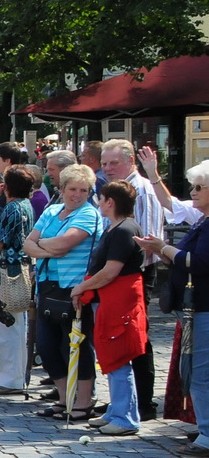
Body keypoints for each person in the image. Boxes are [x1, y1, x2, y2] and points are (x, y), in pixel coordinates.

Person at [138, 160, 209, 447]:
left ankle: (207, 435)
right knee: (194, 369)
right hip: (195, 308)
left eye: (199, 187)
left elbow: (199, 262)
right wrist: (162, 251)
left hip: (204, 307)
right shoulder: (203, 220)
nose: (193, 192)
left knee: (201, 372)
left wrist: (163, 248)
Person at [25, 163, 103, 421]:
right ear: (62, 189)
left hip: (75, 290)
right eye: (73, 189)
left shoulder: (89, 214)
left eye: (84, 190)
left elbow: (66, 242)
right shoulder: (52, 211)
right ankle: (63, 397)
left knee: (76, 346)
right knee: (46, 346)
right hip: (47, 286)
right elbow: (27, 244)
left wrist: (41, 245)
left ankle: (83, 401)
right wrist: (49, 248)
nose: (77, 195)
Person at [73, 181, 146, 437]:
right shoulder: (115, 227)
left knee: (118, 357)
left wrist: (82, 287)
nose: (99, 203)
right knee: (111, 356)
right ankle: (117, 410)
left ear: (110, 202)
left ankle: (125, 418)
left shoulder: (124, 229)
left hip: (120, 300)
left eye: (101, 199)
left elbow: (110, 271)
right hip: (110, 299)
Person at [97, 140, 160, 420]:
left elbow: (148, 239)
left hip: (135, 273)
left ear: (131, 161)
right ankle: (122, 401)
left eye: (114, 163)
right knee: (119, 337)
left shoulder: (142, 190)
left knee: (136, 337)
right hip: (118, 273)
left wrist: (123, 267)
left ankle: (142, 403)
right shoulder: (113, 192)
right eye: (104, 163)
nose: (108, 168)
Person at [0, 166, 37, 394]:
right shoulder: (25, 205)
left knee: (7, 326)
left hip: (7, 271)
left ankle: (11, 380)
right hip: (19, 269)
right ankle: (12, 376)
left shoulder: (13, 208)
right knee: (15, 326)